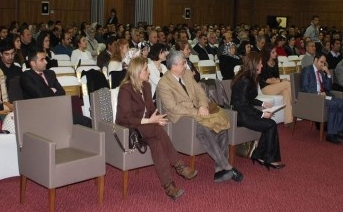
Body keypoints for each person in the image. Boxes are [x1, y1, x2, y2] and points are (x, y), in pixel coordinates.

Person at [116, 57, 197, 200]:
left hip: (147, 129)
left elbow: (151, 108)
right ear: (137, 71)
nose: (148, 72)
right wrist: (151, 121)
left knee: (157, 144)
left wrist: (158, 118)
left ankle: (169, 187)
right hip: (129, 130)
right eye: (146, 69)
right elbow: (126, 118)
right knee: (157, 129)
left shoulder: (146, 86)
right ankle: (179, 166)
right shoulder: (125, 89)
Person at [157, 50, 243, 183]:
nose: (186, 66)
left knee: (221, 126)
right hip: (182, 119)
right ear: (173, 66)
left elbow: (200, 92)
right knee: (202, 129)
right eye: (183, 63)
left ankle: (220, 169)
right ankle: (227, 166)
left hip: (198, 112)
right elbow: (173, 107)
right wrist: (196, 112)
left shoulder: (186, 74)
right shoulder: (164, 83)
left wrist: (203, 105)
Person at [231, 51, 285, 170]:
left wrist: (262, 103)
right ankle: (266, 157)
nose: (262, 66)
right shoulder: (245, 80)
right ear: (254, 64)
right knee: (271, 124)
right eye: (260, 63)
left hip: (243, 112)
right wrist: (261, 114)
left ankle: (261, 155)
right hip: (239, 116)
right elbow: (243, 105)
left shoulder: (249, 77)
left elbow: (248, 99)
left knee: (270, 124)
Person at [20, 50, 92, 127]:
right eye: (42, 59)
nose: (46, 62)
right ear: (33, 63)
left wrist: (48, 91)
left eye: (45, 59)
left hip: (58, 111)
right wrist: (52, 90)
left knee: (88, 122)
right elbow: (40, 95)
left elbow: (62, 92)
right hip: (40, 114)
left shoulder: (50, 73)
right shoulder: (26, 76)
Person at [300, 52, 343, 144]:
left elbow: (328, 88)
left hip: (324, 97)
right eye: (321, 62)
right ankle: (330, 134)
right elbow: (305, 88)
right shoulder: (307, 70)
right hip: (314, 98)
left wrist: (327, 73)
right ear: (315, 60)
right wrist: (318, 94)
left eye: (324, 63)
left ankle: (338, 130)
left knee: (341, 102)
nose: (323, 64)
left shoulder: (321, 72)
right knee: (335, 104)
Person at [259, 43, 293, 126]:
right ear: (268, 53)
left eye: (275, 52)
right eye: (273, 52)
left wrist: (278, 80)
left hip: (274, 86)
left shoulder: (275, 61)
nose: (276, 54)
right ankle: (295, 104)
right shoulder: (263, 62)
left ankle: (288, 120)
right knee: (287, 84)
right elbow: (266, 80)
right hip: (265, 88)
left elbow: (276, 78)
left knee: (285, 92)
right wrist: (280, 80)